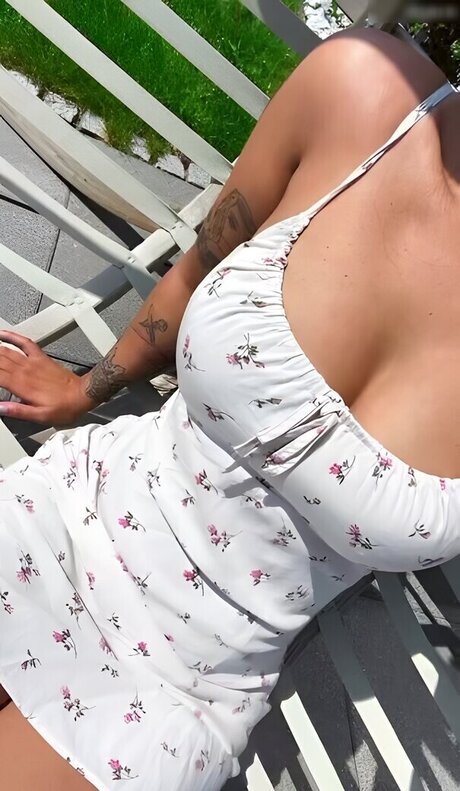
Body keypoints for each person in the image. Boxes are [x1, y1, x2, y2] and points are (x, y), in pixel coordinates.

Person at [0, 23, 459, 791]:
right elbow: (200, 266)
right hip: (73, 518)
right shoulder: (361, 92)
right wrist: (84, 389)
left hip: (185, 689)